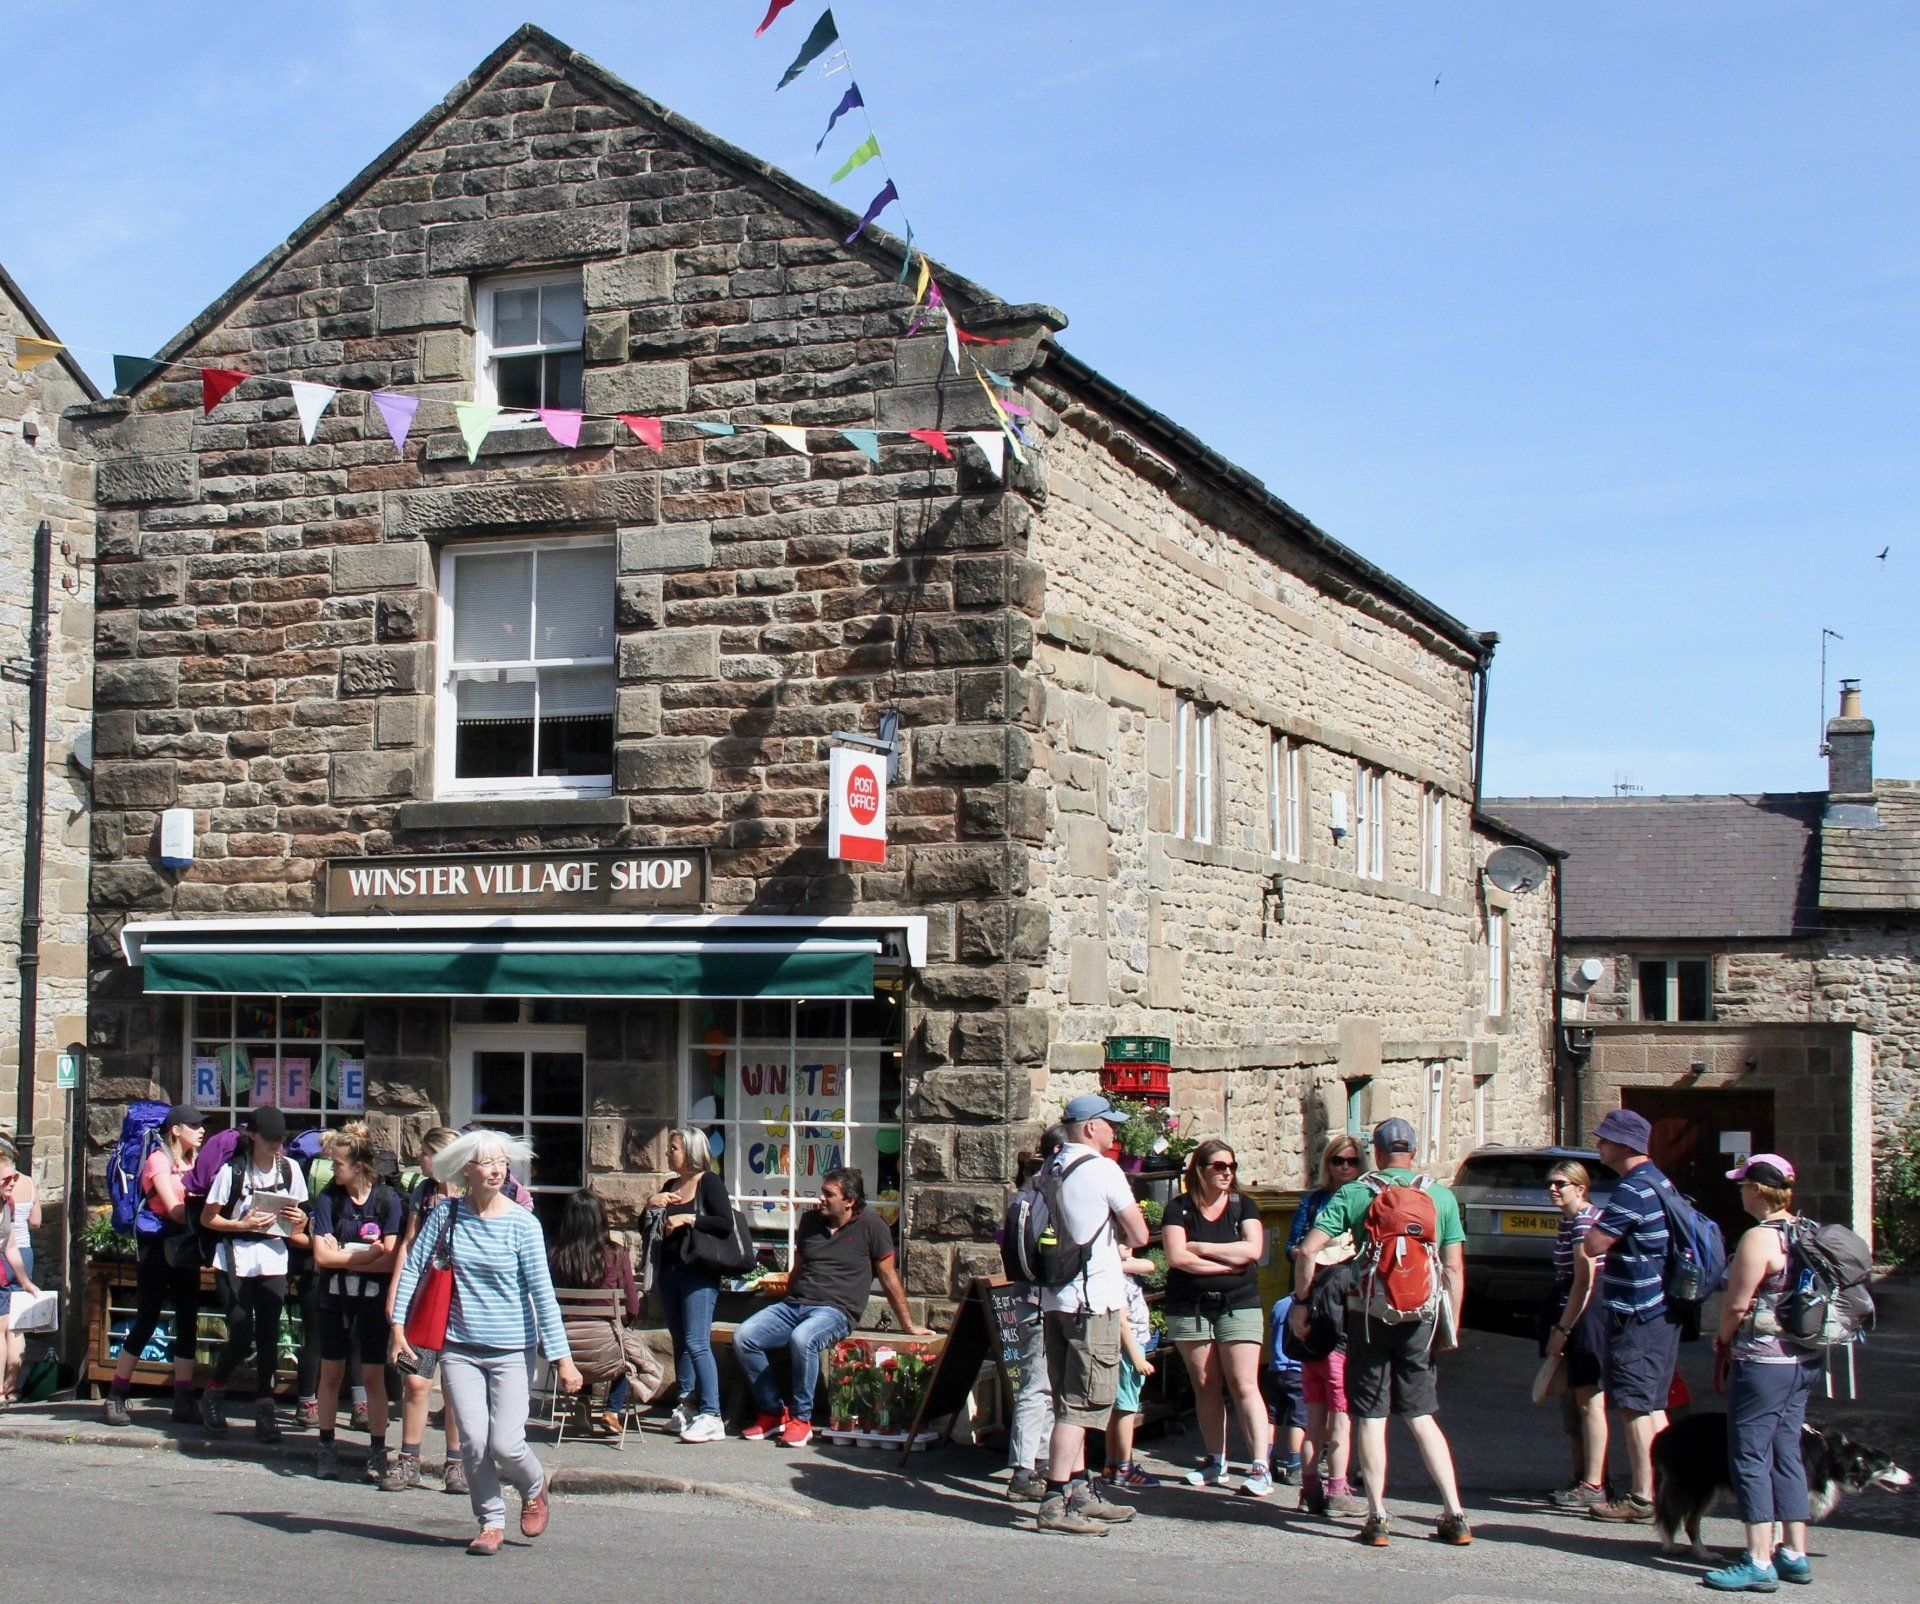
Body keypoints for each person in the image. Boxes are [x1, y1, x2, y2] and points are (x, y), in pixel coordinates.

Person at [391, 1128, 582, 1557]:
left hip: (513, 1349)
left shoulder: (523, 1224)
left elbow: (543, 1296)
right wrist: (398, 1328)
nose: (497, 1170)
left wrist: (563, 1359)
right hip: (459, 1348)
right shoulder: (447, 1216)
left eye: (502, 1162)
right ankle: (491, 1521)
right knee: (473, 1442)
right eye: (486, 1163)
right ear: (466, 1170)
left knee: (506, 1444)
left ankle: (534, 1486)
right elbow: (413, 1270)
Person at [1292, 1117, 1471, 1548]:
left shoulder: (1358, 1193)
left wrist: (1302, 1302)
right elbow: (1453, 1268)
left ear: (1376, 1149)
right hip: (1420, 1319)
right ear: (1413, 1150)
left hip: (1368, 1315)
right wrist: (1451, 1326)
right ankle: (1455, 1514)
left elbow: (1307, 1249)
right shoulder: (1439, 1196)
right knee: (1422, 1414)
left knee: (1370, 1415)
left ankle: (1376, 1517)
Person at [736, 1166, 929, 1447]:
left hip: (836, 1310)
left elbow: (888, 1277)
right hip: (795, 1304)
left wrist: (909, 1325)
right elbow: (798, 1270)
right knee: (745, 1336)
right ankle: (774, 1411)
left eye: (829, 1194)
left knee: (803, 1339)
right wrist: (782, 1302)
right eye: (822, 1193)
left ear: (849, 1201)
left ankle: (802, 1420)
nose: (821, 1199)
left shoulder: (873, 1227)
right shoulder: (811, 1221)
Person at [1549, 1107, 1677, 1524]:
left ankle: (1642, 1498)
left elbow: (1595, 1244)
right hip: (1661, 1310)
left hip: (1638, 1311)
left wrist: (1588, 1234)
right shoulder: (1659, 1181)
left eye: (1604, 1140)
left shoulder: (1632, 1189)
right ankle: (1662, 1488)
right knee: (1653, 1405)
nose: (1599, 1145)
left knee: (1635, 1406)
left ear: (1624, 1145)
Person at [1031, 1094, 1151, 1537]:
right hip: (1092, 1303)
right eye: (1108, 1124)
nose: (1114, 1132)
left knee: (1067, 1397)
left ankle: (1080, 1490)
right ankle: (1055, 1498)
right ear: (1088, 1129)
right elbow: (1138, 1232)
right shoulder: (1103, 1170)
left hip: (1055, 1301)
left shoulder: (1050, 1167)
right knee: (1081, 1407)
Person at [1704, 1154, 1824, 1592]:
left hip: (1763, 1362)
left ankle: (1758, 1559)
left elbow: (1736, 1304)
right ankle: (1794, 1552)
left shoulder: (1759, 1238)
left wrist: (1723, 1340)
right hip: (1804, 1360)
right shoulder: (1806, 1230)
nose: (1739, 1191)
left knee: (1750, 1456)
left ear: (1757, 1190)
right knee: (1787, 1450)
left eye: (1742, 1184)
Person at [1163, 1138, 1270, 1496]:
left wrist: (1204, 1248)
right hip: (1190, 1306)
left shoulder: (1244, 1206)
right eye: (1219, 1167)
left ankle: (1260, 1466)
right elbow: (1177, 1258)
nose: (1227, 1173)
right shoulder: (1178, 1209)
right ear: (1200, 1170)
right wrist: (1228, 1262)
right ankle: (1214, 1460)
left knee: (1244, 1385)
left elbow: (1253, 1250)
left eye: (1231, 1167)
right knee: (1205, 1385)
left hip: (1238, 1302)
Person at [200, 1105, 309, 1441]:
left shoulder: (290, 1170)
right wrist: (240, 1224)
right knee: (241, 1329)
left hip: (273, 1255)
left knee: (268, 1335)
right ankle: (214, 1392)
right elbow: (208, 1219)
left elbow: (302, 1220)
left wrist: (297, 1219)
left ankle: (266, 1407)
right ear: (252, 1136)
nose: (276, 1145)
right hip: (234, 1256)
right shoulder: (232, 1172)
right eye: (270, 1139)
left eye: (280, 1139)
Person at [308, 1122, 405, 1481]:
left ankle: (377, 1450)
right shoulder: (328, 1200)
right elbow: (322, 1258)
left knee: (373, 1375)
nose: (333, 1169)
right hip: (333, 1299)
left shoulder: (387, 1200)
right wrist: (365, 1256)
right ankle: (326, 1444)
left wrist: (346, 1253)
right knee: (330, 1372)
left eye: (338, 1164)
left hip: (372, 1302)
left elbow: (392, 1258)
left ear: (359, 1166)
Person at [102, 1105, 206, 1425]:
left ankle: (184, 1398)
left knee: (188, 1319)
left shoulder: (194, 1162)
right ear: (176, 1130)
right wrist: (206, 1216)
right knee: (147, 1318)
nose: (201, 1130)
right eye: (194, 1125)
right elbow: (174, 1210)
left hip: (185, 1246)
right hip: (158, 1247)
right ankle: (116, 1396)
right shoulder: (157, 1161)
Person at [382, 1125, 466, 1495]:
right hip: (423, 1295)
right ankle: (409, 1460)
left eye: (427, 1153)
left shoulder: (473, 1193)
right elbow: (409, 1243)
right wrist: (396, 1291)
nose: (421, 1159)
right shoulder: (424, 1190)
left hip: (461, 1297)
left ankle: (456, 1463)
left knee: (455, 1386)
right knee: (415, 1379)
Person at [547, 1187, 663, 1435]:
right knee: (628, 1354)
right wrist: (622, 1324)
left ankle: (583, 1401)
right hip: (607, 1347)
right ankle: (612, 1410)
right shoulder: (616, 1254)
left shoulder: (555, 1255)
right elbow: (632, 1306)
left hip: (565, 1348)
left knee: (588, 1342)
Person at [1290, 1133, 1362, 1516]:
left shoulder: (1364, 1198)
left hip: (1316, 1316)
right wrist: (1329, 1252)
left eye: (1352, 1161)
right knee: (1336, 1415)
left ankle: (1311, 1487)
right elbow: (1295, 1249)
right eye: (1339, 1161)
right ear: (1328, 1165)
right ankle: (1335, 1488)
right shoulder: (1315, 1202)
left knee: (1319, 1412)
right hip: (1328, 1323)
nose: (1346, 1168)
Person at [645, 1126, 732, 1443]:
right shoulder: (670, 1185)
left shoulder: (709, 1183)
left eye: (674, 1148)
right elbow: (649, 1228)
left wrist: (689, 1218)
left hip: (699, 1273)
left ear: (693, 1152)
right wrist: (651, 1204)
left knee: (697, 1342)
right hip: (670, 1272)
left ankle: (712, 1414)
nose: (668, 1153)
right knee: (680, 1341)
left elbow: (724, 1223)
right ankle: (687, 1404)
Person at [1542, 1159, 1609, 1509]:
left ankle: (1594, 1483)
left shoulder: (1583, 1222)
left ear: (1580, 1189)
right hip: (1573, 1313)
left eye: (1561, 1184)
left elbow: (1585, 1282)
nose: (1553, 1189)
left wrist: (1564, 1328)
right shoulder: (1570, 1220)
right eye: (1551, 1183)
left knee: (1588, 1400)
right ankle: (1583, 1474)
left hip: (1586, 1317)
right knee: (1573, 1400)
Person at [1005, 1124, 1067, 1502]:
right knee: (1038, 1383)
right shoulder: (1051, 1191)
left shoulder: (1029, 1191)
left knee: (1047, 1384)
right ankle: (1024, 1468)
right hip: (1043, 1297)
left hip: (1029, 1294)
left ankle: (1040, 1461)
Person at [1104, 1249, 1160, 1488]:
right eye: (1121, 1240)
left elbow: (1149, 1265)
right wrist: (1137, 1358)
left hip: (1126, 1346)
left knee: (1116, 1406)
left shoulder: (1115, 1270)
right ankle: (1124, 1465)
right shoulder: (1115, 1277)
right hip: (1129, 1348)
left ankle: (1112, 1465)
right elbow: (1122, 1322)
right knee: (1126, 1407)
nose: (1128, 1247)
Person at [0, 1162, 42, 1402]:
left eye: (14, 1177)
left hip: (8, 1265)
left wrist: (26, 1282)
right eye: (7, 1179)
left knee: (10, 1324)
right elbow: (34, 1222)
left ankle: (6, 1390)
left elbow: (10, 1245)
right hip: (13, 1261)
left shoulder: (8, 1203)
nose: (13, 1183)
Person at [1263, 1295, 1305, 1484]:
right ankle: (1295, 1466)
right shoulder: (1308, 1305)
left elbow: (1272, 1328)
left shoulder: (1279, 1304)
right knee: (1299, 1420)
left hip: (1275, 1369)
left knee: (1272, 1418)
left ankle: (1267, 1461)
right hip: (1299, 1371)